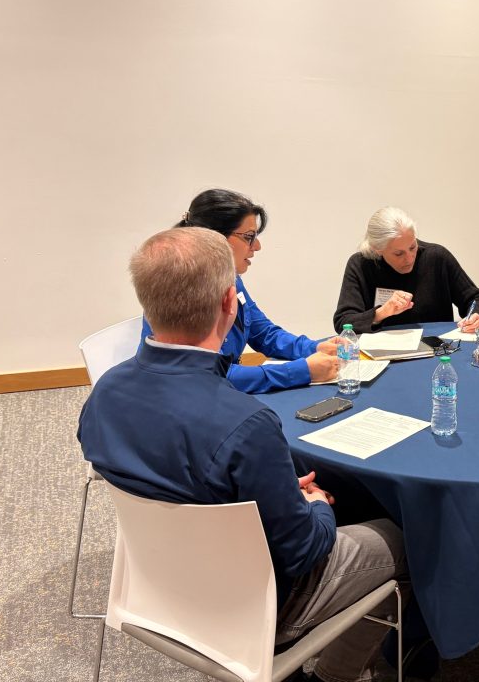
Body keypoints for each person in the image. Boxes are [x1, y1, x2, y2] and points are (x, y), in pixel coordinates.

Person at [80, 227, 407, 682]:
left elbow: (168, 475)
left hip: (157, 587)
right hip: (257, 605)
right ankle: (332, 676)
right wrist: (314, 507)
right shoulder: (247, 425)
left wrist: (269, 493)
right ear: (230, 305)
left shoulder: (103, 395)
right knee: (406, 536)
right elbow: (304, 552)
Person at [140, 189, 341, 394]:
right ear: (215, 238)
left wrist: (314, 349)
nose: (257, 246)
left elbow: (264, 334)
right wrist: (300, 371)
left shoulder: (232, 280)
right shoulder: (180, 292)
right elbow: (209, 376)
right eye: (249, 237)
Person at [333, 206, 479, 334]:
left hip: (437, 351)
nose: (409, 258)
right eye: (398, 253)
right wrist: (381, 313)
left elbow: (477, 299)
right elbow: (343, 322)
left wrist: (477, 316)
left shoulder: (437, 258)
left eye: (413, 247)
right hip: (382, 357)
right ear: (377, 250)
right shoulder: (361, 265)